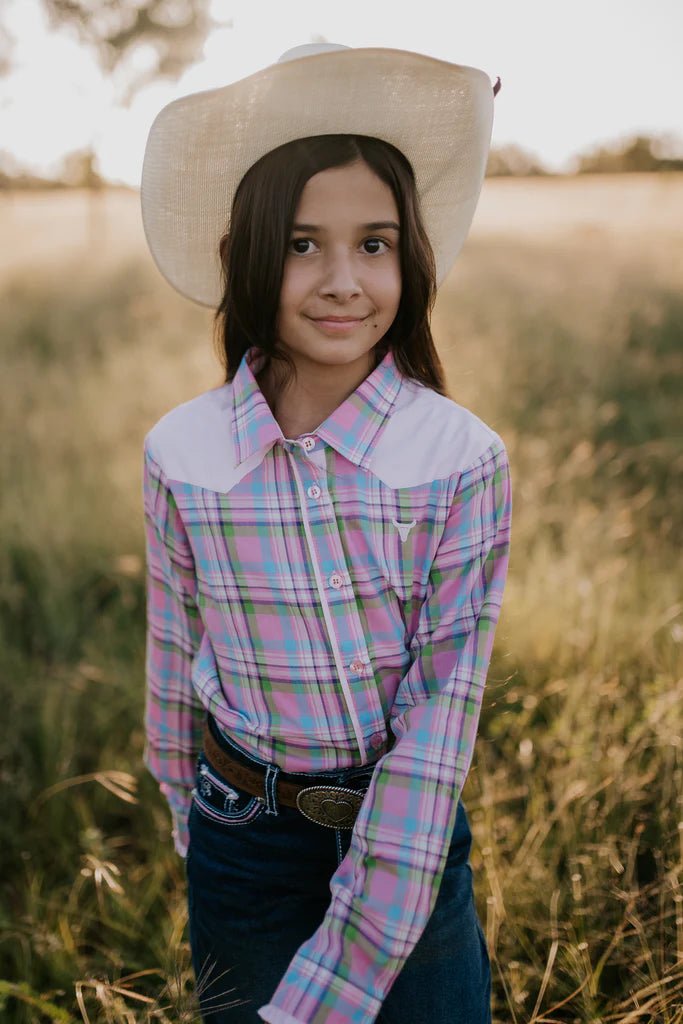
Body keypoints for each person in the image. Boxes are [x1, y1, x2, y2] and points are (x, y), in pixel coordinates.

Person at [140, 42, 511, 1024]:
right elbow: (175, 648)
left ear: (411, 256)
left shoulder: (457, 457)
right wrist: (194, 815)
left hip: (403, 841)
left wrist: (334, 984)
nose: (342, 278)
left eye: (374, 242)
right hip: (239, 839)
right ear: (245, 256)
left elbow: (440, 718)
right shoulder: (182, 450)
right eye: (303, 243)